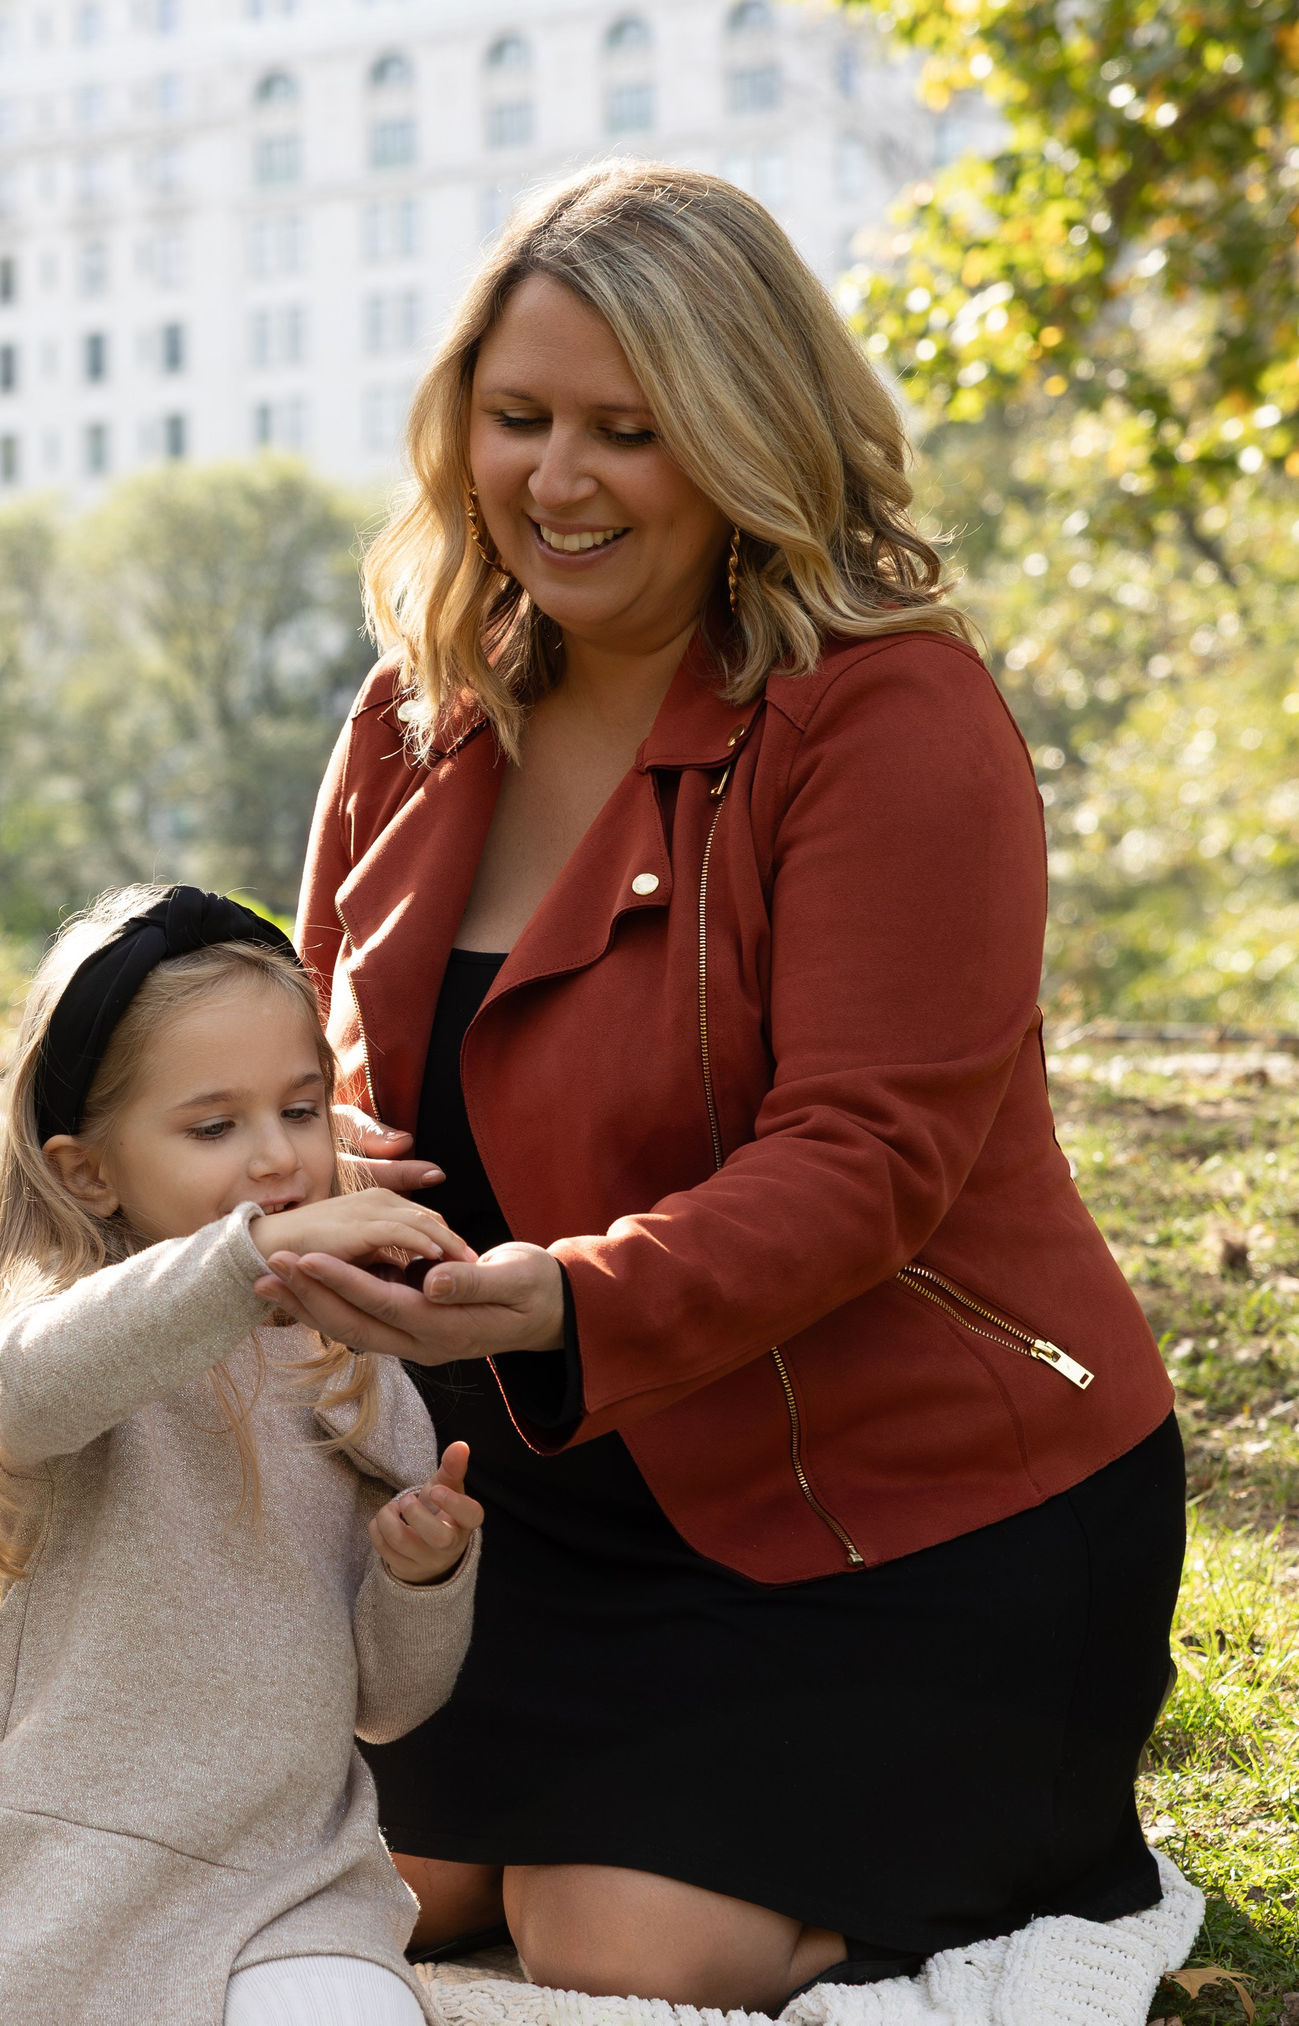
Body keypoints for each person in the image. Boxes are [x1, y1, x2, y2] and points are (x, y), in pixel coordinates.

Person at [264, 162, 1181, 2014]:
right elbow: (300, 1055)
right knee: (374, 1884)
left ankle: (1021, 1846)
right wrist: (312, 1171)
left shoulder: (890, 717)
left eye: (631, 430)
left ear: (748, 437)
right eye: (518, 418)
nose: (558, 479)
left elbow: (867, 1158)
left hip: (896, 1514)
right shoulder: (410, 711)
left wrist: (570, 1296)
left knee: (615, 1939)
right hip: (514, 1506)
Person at [0, 884, 485, 2026]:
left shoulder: (353, 1373)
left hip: (292, 1876)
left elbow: (385, 1704)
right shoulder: (80, 1332)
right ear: (90, 1172)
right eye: (213, 1127)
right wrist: (250, 1255)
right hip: (69, 1858)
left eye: (301, 1110)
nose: (277, 1158)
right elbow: (30, 1390)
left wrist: (421, 1580)